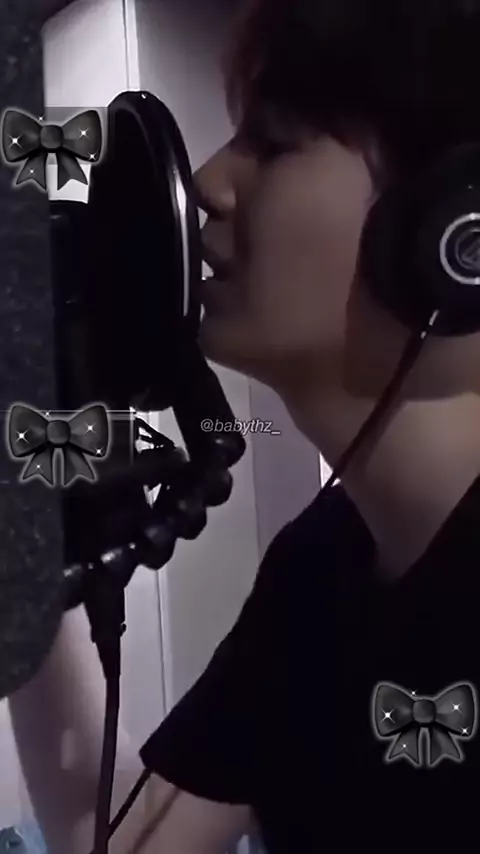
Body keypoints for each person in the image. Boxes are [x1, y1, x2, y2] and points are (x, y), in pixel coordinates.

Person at [9, 0, 480, 851]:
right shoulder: (323, 569)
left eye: (273, 141)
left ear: (453, 232)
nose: (209, 182)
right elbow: (121, 840)